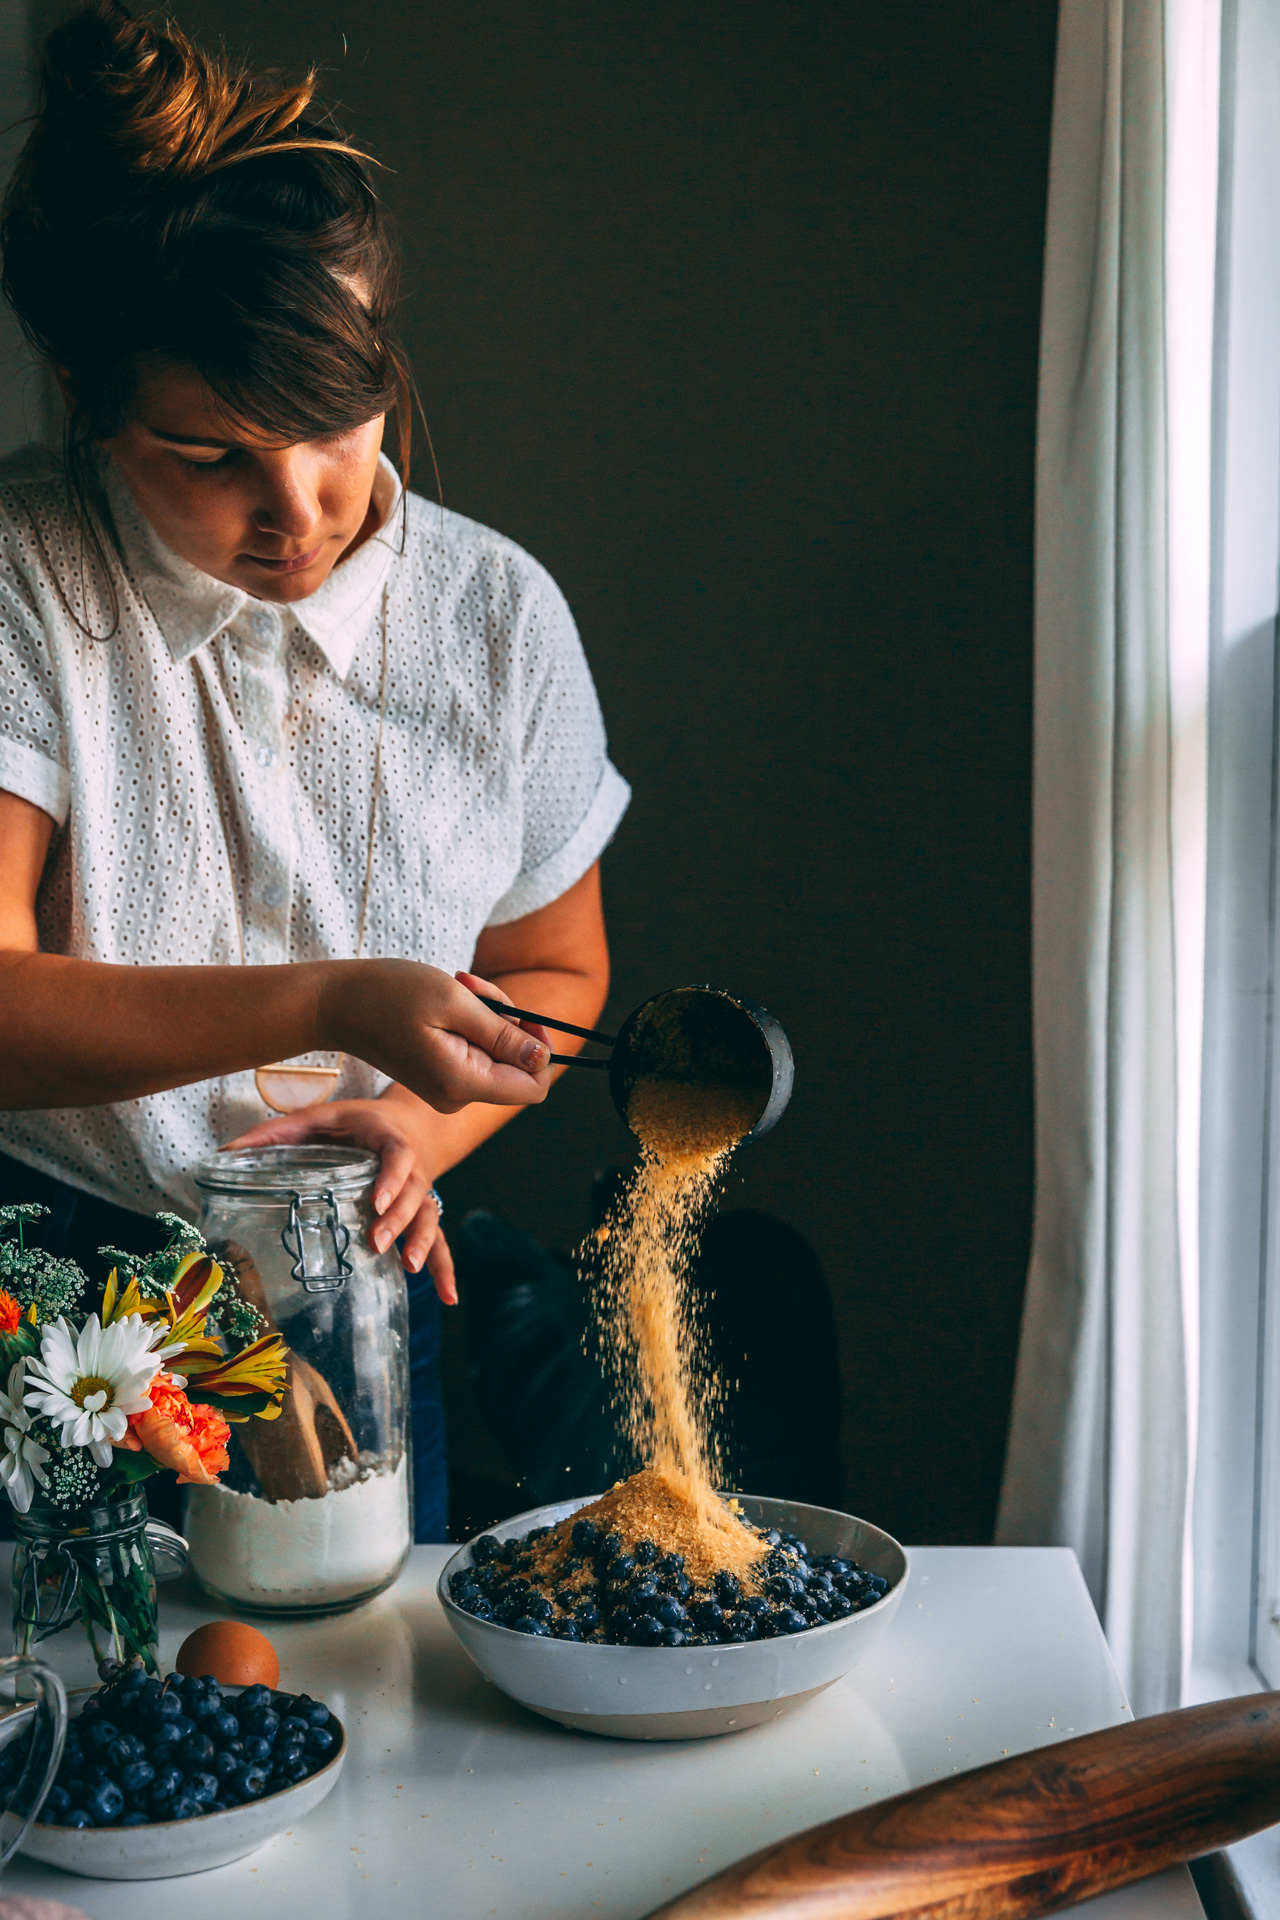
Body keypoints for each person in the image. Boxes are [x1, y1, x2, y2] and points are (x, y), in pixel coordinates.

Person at [0, 1, 627, 1541]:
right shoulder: (25, 584)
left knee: (360, 1703)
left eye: (333, 422)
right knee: (98, 1726)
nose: (298, 508)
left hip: (356, 1275)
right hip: (61, 1294)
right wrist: (337, 1000)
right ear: (87, 400)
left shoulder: (497, 615)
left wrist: (423, 1127)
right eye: (208, 455)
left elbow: (551, 964)